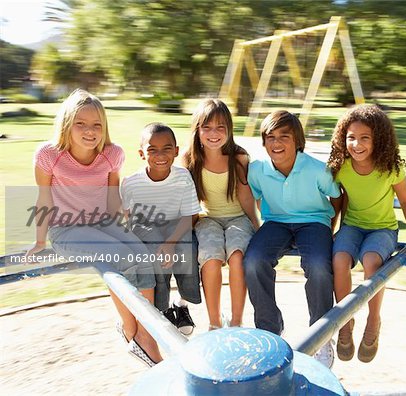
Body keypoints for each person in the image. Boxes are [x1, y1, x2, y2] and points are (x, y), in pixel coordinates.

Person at [25, 89, 162, 367]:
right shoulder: (49, 155)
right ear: (67, 125)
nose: (90, 131)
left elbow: (112, 197)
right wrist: (40, 241)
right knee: (120, 259)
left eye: (97, 124)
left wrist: (122, 228)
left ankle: (147, 334)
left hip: (102, 224)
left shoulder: (112, 155)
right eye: (81, 124)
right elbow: (44, 197)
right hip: (67, 231)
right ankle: (130, 330)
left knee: (141, 257)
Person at [327, 104, 406, 363]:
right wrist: (331, 231)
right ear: (343, 137)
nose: (357, 144)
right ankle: (345, 322)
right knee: (339, 259)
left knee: (372, 261)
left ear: (379, 140)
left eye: (365, 138)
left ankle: (373, 321)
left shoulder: (391, 169)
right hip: (352, 226)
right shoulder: (341, 167)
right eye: (351, 137)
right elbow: (337, 201)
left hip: (383, 228)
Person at [243, 110, 340, 369]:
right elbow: (256, 196)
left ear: (297, 140)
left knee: (319, 264)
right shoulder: (257, 170)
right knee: (253, 260)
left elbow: (337, 195)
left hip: (314, 222)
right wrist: (265, 219)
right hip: (276, 223)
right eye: (270, 137)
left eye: (284, 136)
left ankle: (320, 335)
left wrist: (331, 226)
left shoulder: (317, 169)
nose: (276, 143)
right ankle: (269, 329)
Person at [183, 99, 259, 330]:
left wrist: (257, 226)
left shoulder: (239, 158)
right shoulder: (190, 160)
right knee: (211, 257)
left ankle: (236, 322)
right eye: (207, 127)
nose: (213, 133)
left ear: (229, 130)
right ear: (197, 129)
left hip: (238, 218)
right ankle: (214, 323)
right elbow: (190, 200)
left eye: (220, 127)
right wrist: (184, 231)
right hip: (209, 219)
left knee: (237, 257)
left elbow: (246, 197)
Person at [120, 122, 202, 336]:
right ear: (141, 154)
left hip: (177, 224)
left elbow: (188, 216)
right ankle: (163, 309)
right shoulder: (131, 183)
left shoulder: (183, 177)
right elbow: (127, 217)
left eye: (167, 148)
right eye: (152, 150)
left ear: (176, 151)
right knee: (157, 253)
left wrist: (172, 242)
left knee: (187, 249)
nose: (160, 155)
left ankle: (182, 305)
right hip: (146, 226)